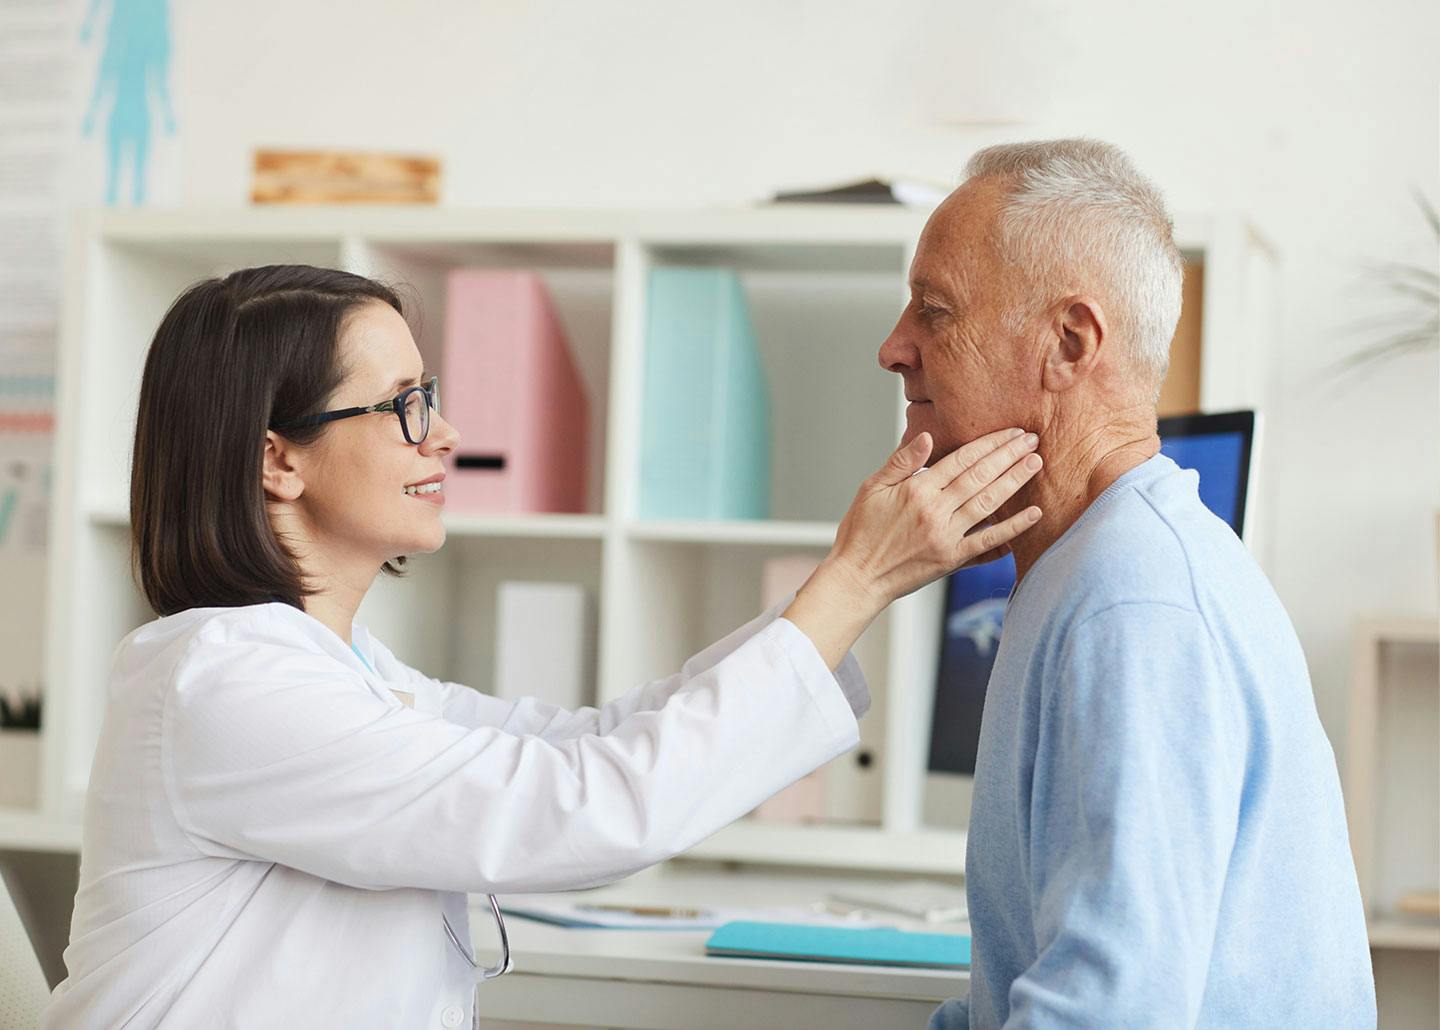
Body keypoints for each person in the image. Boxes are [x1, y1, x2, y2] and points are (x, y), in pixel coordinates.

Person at [43, 264, 1045, 1028]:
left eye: (428, 398)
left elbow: (587, 743)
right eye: (404, 407)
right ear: (277, 459)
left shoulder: (342, 670)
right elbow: (585, 810)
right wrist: (855, 580)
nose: (442, 436)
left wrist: (844, 585)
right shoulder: (227, 682)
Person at [879, 140, 1377, 1028]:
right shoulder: (1086, 569)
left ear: (1069, 343)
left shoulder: (1134, 606)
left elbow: (1110, 1014)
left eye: (935, 310)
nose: (894, 347)